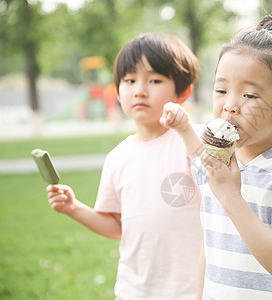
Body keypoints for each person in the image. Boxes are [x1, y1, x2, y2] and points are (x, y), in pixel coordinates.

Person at [161, 15, 272, 299]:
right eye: (221, 90)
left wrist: (231, 197)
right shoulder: (218, 164)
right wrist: (182, 128)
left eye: (250, 96)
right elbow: (211, 243)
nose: (230, 106)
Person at [46, 33, 203, 300]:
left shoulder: (193, 141)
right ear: (117, 91)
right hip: (135, 290)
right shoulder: (118, 158)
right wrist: (74, 208)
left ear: (183, 92)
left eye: (154, 80)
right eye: (130, 80)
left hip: (192, 289)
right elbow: (117, 226)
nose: (140, 90)